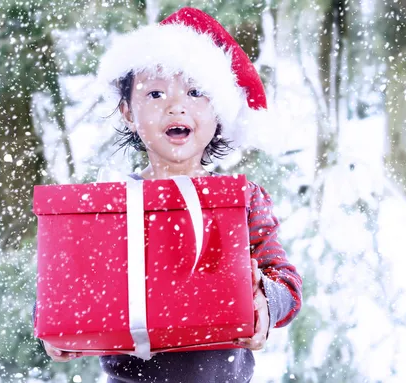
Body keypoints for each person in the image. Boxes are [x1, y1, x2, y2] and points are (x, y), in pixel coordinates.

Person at [39, 7, 302, 383]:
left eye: (196, 92)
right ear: (128, 112)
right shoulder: (109, 208)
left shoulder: (241, 199)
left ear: (220, 109)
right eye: (156, 93)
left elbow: (287, 284)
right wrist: (53, 321)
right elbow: (70, 283)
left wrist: (266, 301)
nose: (176, 105)